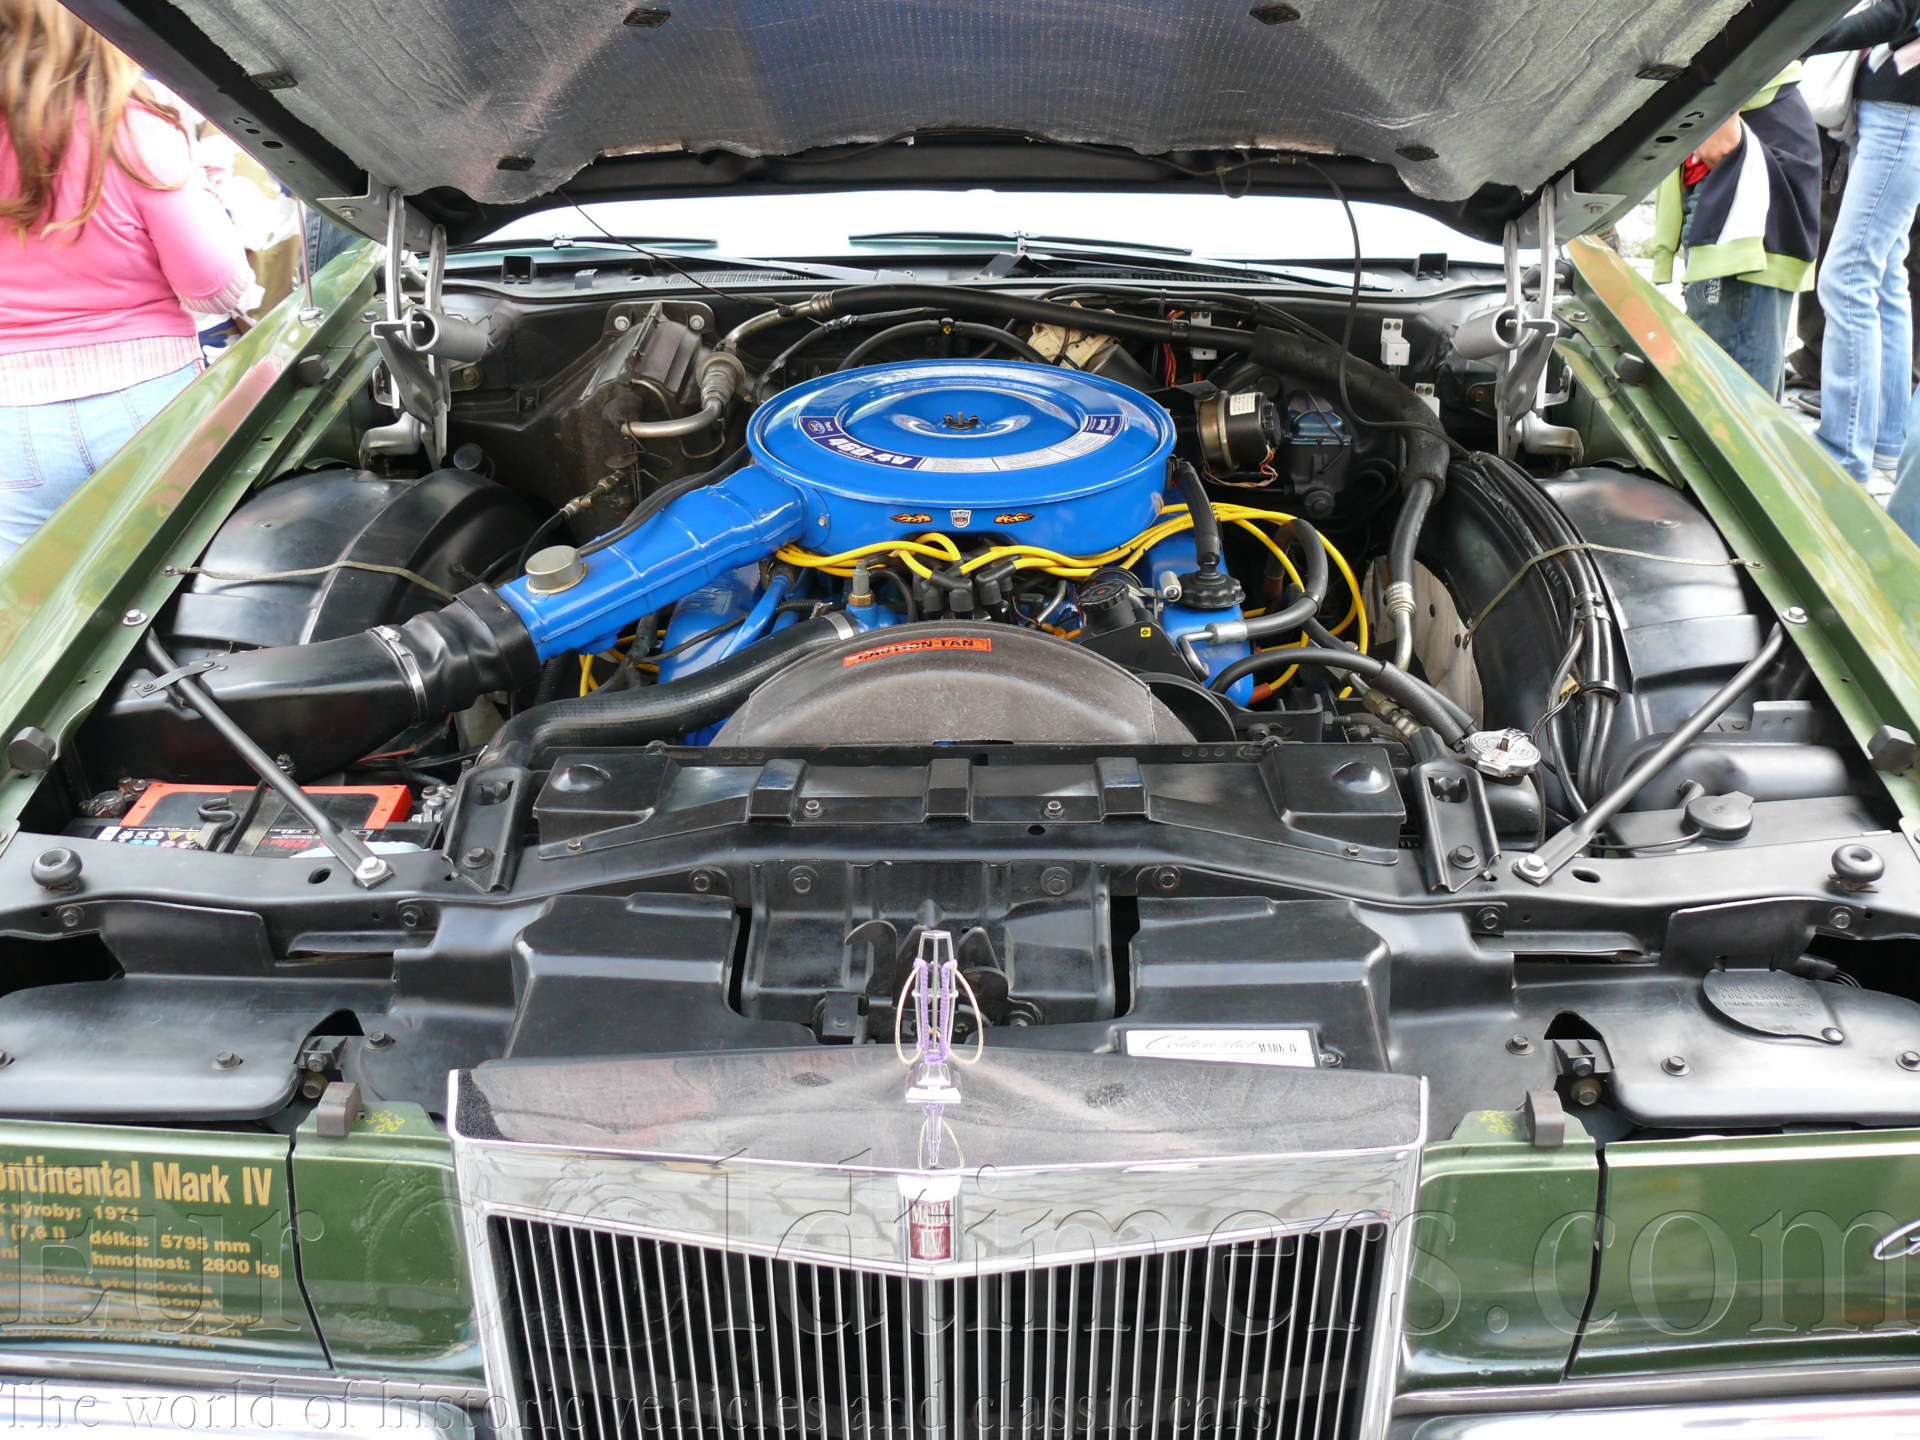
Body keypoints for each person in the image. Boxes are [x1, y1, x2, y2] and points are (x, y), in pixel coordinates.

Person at [0, 0, 249, 563]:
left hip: (10, 423)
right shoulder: (133, 129)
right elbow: (217, 289)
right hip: (150, 403)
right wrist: (202, 179)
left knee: (29, 599)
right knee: (175, 579)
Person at [1652, 68, 1822, 398]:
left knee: (1727, 401)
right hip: (1751, 148)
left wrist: (1720, 109)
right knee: (1742, 397)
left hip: (1740, 171)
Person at [1806, 0, 1920, 490]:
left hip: (1902, 108)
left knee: (1847, 278)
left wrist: (1801, 40)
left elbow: (1899, 10)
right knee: (1885, 274)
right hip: (1899, 108)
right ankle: (1886, 441)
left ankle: (1842, 456)